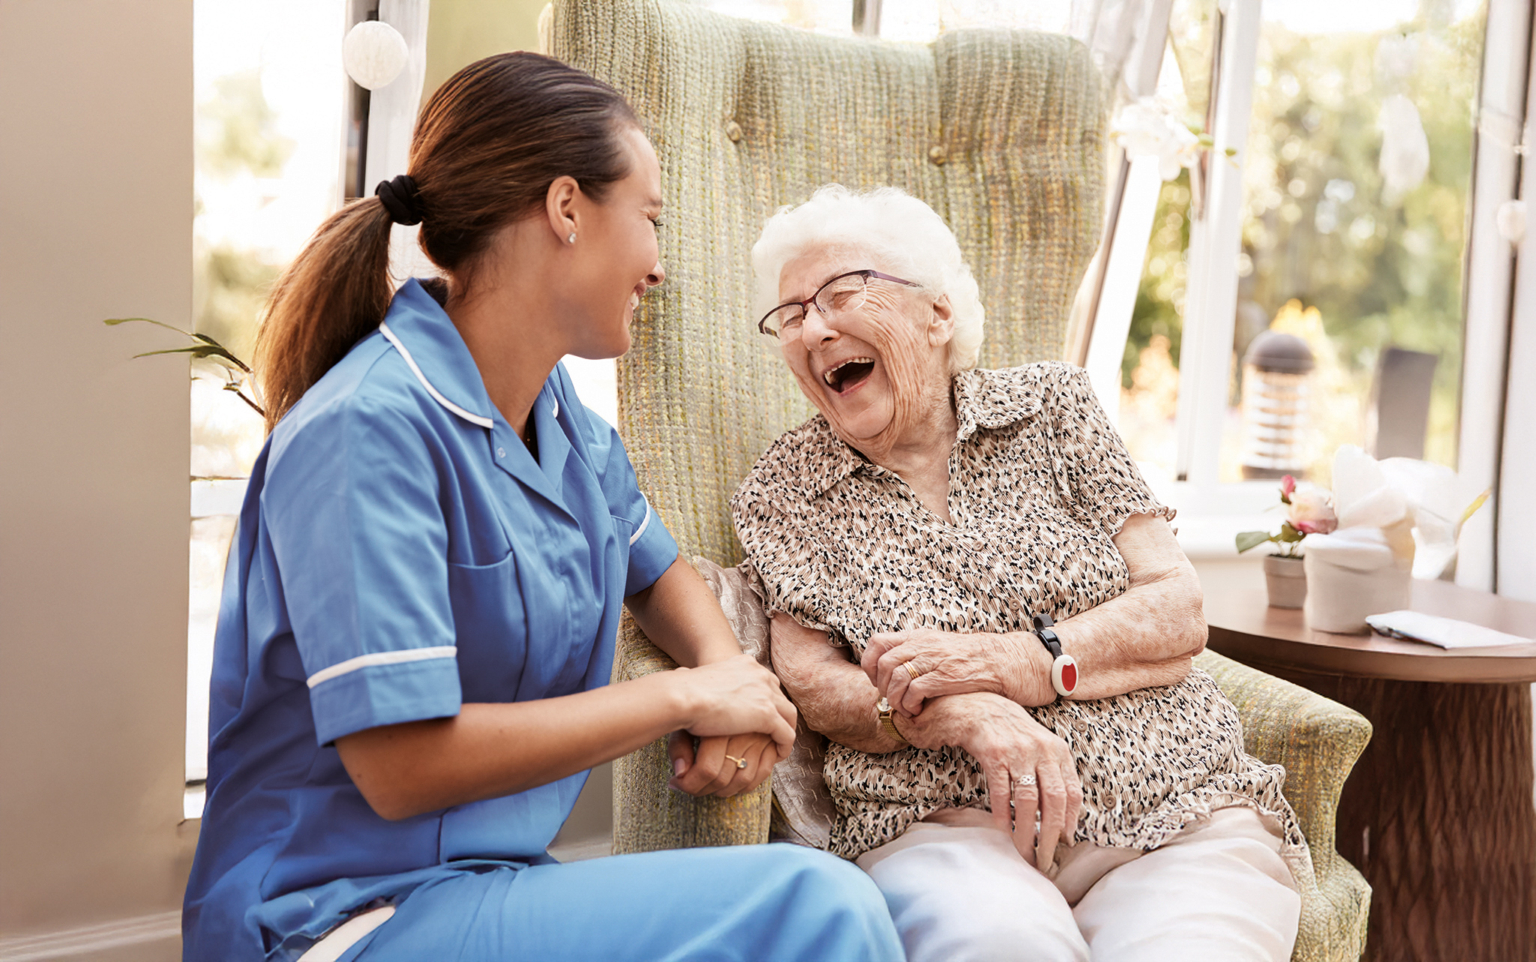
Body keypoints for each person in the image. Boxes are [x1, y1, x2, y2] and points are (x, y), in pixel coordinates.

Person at [182, 55, 904, 962]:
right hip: (336, 919)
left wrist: (735, 683)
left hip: (489, 887)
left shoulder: (561, 417)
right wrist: (683, 694)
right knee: (823, 908)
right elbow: (403, 767)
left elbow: (659, 573)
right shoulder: (365, 430)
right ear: (566, 209)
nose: (658, 265)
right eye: (649, 219)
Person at [731, 184, 1307, 962]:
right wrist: (965, 716)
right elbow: (818, 687)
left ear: (937, 315)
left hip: (1176, 807)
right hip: (945, 828)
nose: (815, 327)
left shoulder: (1053, 407)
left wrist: (1008, 666)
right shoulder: (785, 486)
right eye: (792, 315)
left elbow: (1176, 610)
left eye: (840, 293)